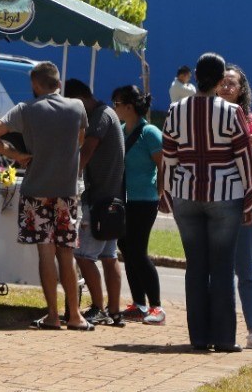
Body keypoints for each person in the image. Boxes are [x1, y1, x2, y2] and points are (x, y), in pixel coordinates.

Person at [0, 62, 92, 331]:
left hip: (36, 192)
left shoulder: (25, 110)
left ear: (35, 84)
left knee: (46, 252)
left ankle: (53, 315)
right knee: (66, 252)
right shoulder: (77, 108)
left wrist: (16, 155)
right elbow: (80, 141)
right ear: (58, 82)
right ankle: (75, 315)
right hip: (66, 192)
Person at [161, 52, 252, 353]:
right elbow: (243, 157)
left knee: (196, 267)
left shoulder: (176, 110)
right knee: (223, 266)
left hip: (185, 195)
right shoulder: (231, 113)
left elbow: (169, 157)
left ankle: (199, 338)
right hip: (225, 194)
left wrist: (164, 193)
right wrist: (249, 197)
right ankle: (225, 339)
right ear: (219, 81)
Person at [216, 64, 252, 352]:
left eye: (232, 83)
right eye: (223, 82)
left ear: (242, 90)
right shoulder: (210, 118)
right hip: (217, 200)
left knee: (246, 267)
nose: (227, 87)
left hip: (248, 201)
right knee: (219, 269)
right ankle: (221, 329)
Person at [64, 79, 126, 328]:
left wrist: (70, 178)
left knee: (84, 255)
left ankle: (99, 309)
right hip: (113, 198)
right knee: (110, 256)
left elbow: (87, 150)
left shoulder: (100, 116)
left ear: (79, 100)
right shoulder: (109, 113)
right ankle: (114, 310)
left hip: (99, 199)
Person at [110, 85, 167, 326]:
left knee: (138, 251)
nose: (115, 109)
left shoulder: (150, 132)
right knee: (127, 249)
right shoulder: (121, 131)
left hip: (144, 200)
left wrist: (161, 192)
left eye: (117, 104)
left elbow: (163, 164)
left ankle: (156, 306)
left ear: (129, 107)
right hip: (125, 200)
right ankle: (138, 303)